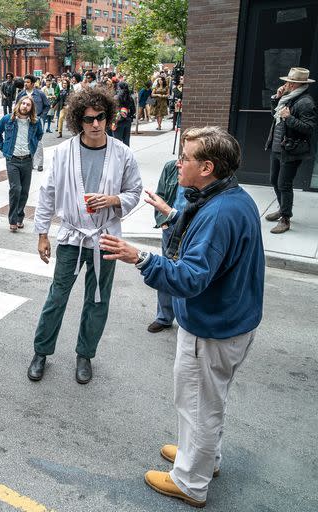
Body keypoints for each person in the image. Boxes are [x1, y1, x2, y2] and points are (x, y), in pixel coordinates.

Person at [100, 126, 265, 509]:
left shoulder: (218, 214)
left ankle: (191, 481)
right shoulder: (230, 198)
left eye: (186, 157)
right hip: (233, 321)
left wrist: (139, 257)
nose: (179, 162)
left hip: (212, 327)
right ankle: (205, 458)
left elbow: (190, 277)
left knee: (196, 405)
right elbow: (208, 240)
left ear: (207, 167)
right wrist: (172, 214)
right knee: (209, 400)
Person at [27, 87, 142, 385]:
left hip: (106, 238)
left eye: (100, 117)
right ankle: (41, 351)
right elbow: (48, 194)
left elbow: (135, 191)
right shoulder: (64, 153)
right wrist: (42, 234)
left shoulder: (122, 153)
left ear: (108, 117)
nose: (95, 124)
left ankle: (85, 354)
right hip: (72, 236)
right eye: (89, 119)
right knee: (57, 295)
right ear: (79, 120)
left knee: (97, 299)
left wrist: (114, 200)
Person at [264, 67, 316, 234]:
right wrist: (277, 98)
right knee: (274, 180)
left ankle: (285, 219)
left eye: (288, 82)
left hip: (291, 150)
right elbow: (275, 116)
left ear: (295, 84)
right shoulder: (287, 98)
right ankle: (282, 209)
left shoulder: (305, 102)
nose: (285, 84)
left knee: (284, 184)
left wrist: (290, 118)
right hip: (278, 147)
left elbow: (309, 128)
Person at [144, 160, 186, 333]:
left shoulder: (204, 174)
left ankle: (187, 320)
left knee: (187, 275)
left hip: (193, 230)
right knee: (166, 272)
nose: (179, 162)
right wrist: (164, 223)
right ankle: (164, 317)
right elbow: (160, 195)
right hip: (171, 227)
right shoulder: (172, 167)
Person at [0, 96, 43, 232]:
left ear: (31, 108)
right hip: (12, 160)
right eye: (23, 103)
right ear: (18, 104)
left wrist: (31, 147)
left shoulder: (35, 122)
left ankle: (20, 217)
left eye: (28, 105)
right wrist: (3, 147)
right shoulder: (8, 119)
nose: (25, 106)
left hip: (27, 160)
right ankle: (13, 220)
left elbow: (39, 135)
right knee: (16, 189)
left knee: (24, 192)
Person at [17, 75, 50, 172]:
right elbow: (17, 106)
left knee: (38, 141)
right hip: (24, 120)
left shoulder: (40, 94)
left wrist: (41, 117)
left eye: (27, 82)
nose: (25, 84)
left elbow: (47, 106)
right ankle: (30, 163)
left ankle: (39, 164)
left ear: (32, 83)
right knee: (27, 140)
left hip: (37, 120)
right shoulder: (21, 94)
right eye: (24, 82)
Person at [111, 81, 136, 146]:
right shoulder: (130, 98)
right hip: (127, 121)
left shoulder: (116, 97)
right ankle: (126, 155)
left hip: (118, 121)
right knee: (126, 142)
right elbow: (133, 110)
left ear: (119, 88)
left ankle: (118, 156)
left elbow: (112, 110)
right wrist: (127, 115)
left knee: (117, 143)